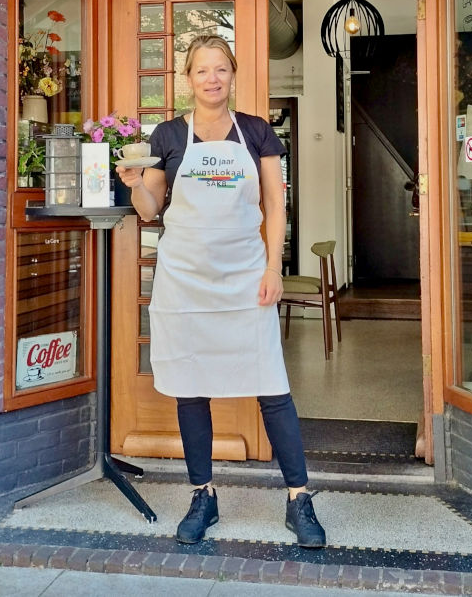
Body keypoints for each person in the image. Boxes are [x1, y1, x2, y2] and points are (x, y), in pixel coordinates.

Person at [116, 34, 325, 549]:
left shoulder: (256, 131)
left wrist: (274, 268)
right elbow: (150, 210)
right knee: (192, 388)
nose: (212, 78)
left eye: (221, 69)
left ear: (232, 75)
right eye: (202, 70)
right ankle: (202, 496)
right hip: (185, 280)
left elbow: (275, 205)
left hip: (245, 278)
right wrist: (135, 182)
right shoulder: (169, 134)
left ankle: (299, 498)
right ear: (188, 78)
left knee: (272, 386)